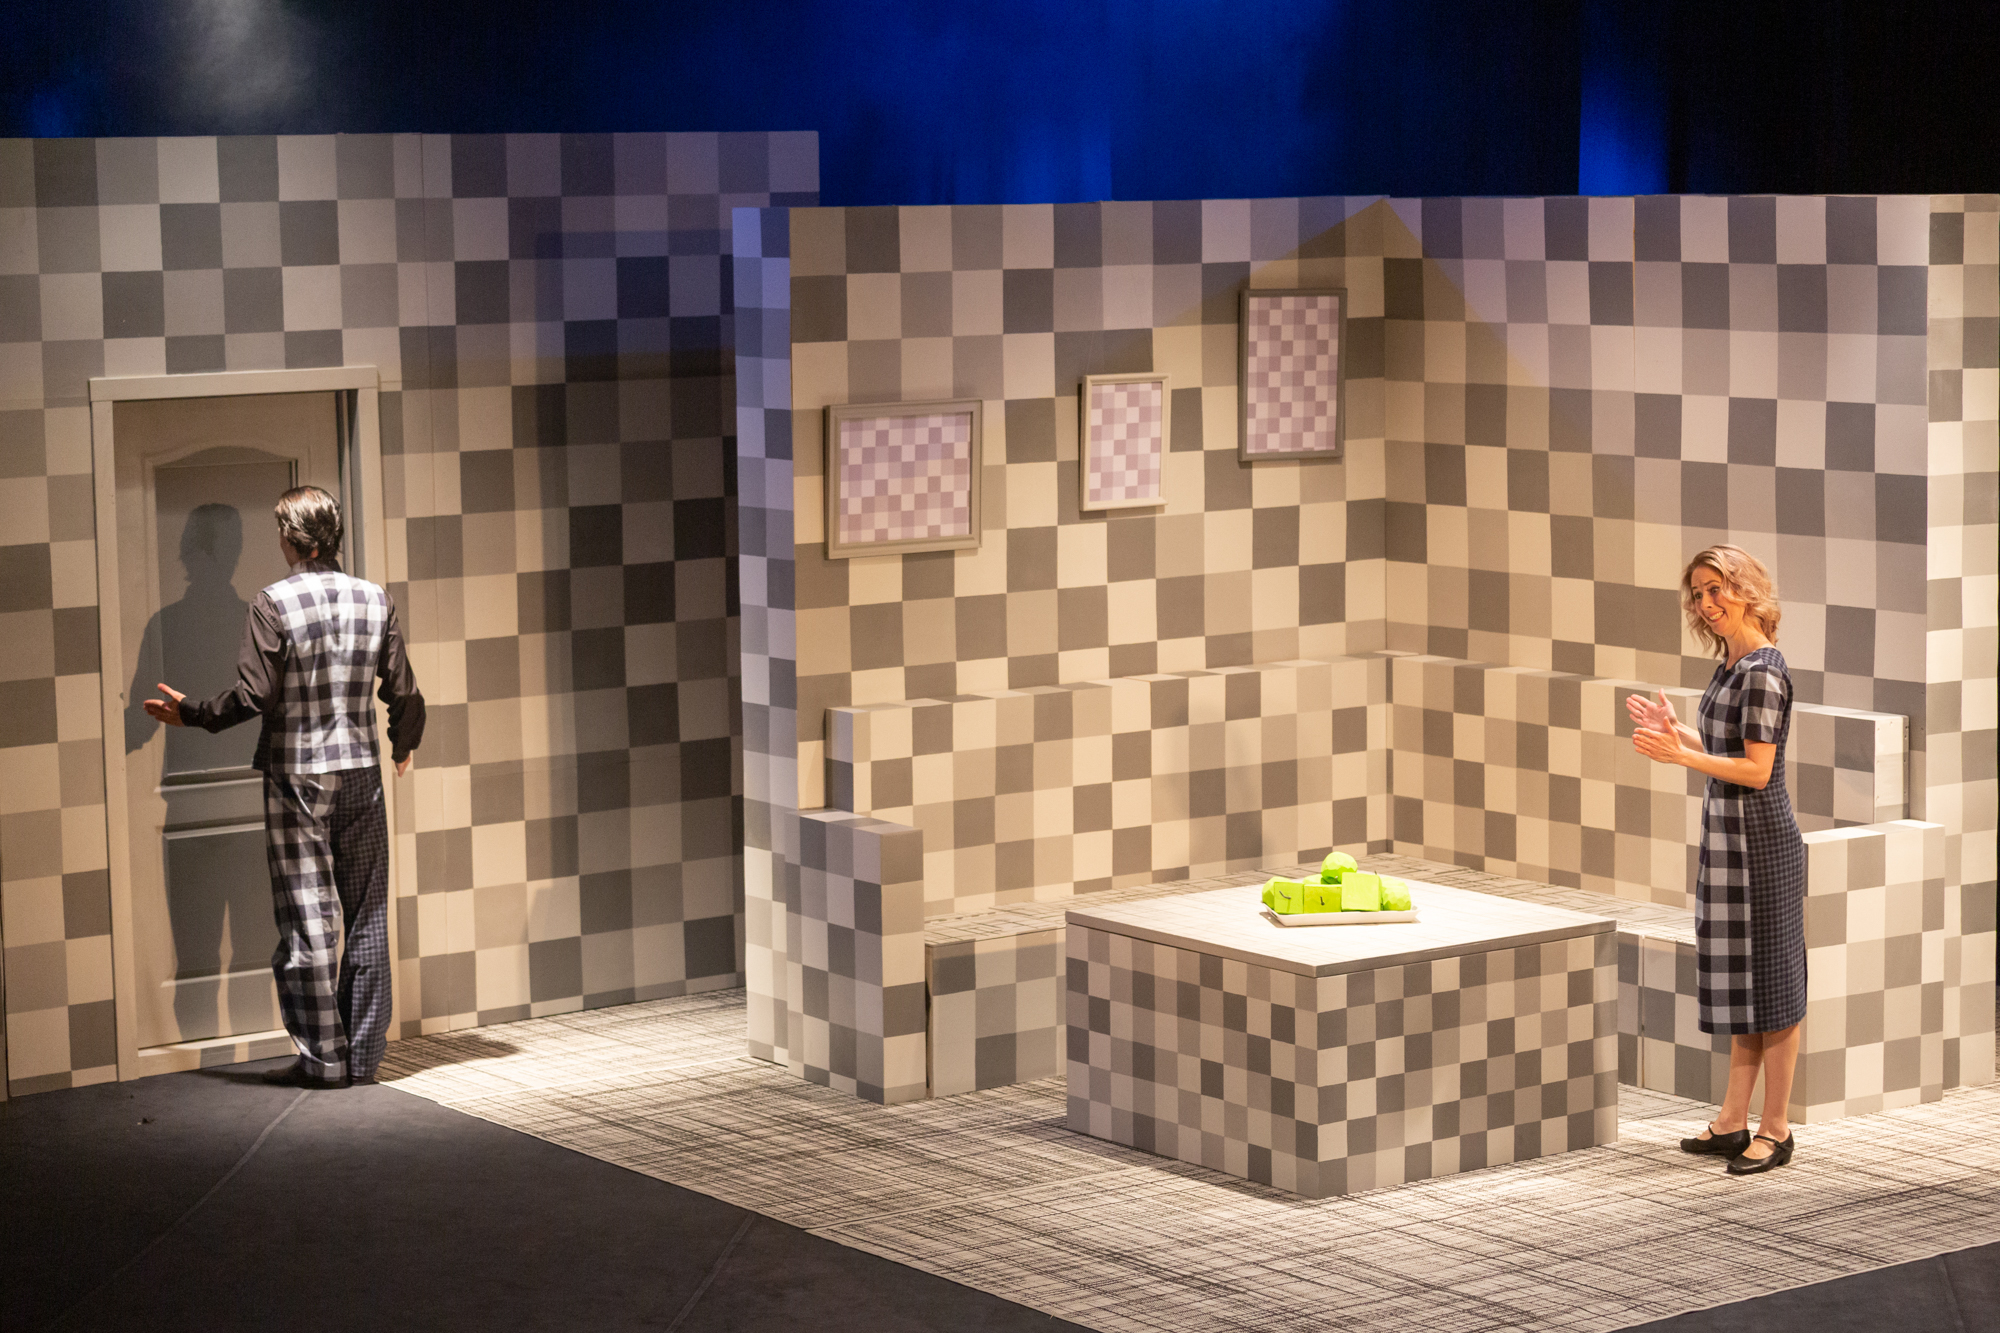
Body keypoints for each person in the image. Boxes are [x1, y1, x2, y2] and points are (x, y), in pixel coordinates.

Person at [145, 486, 425, 1090]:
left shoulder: (273, 602)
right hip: (362, 773)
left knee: (308, 917)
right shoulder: (375, 598)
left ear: (291, 538)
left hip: (297, 774)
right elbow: (403, 690)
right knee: (369, 914)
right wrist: (403, 745)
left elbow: (254, 696)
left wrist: (192, 713)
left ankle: (324, 1061)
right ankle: (364, 1059)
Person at [1627, 544, 1805, 1176]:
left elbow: (1757, 771)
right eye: (1698, 594)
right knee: (1743, 988)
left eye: (1715, 589)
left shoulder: (1763, 670)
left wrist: (1682, 757)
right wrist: (1679, 733)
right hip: (1728, 842)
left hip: (1762, 843)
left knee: (1774, 990)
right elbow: (1726, 746)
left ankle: (1776, 1128)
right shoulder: (1731, 663)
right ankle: (1733, 1120)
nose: (1706, 604)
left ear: (1746, 590)